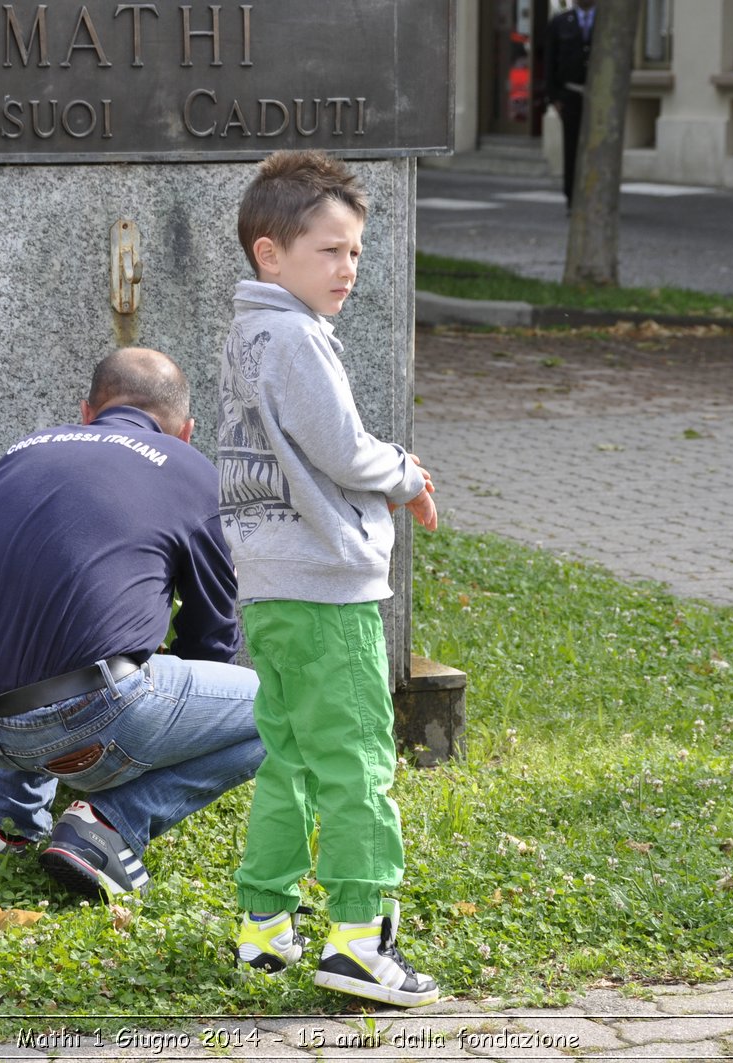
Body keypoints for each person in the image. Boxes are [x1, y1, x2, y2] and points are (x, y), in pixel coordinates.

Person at [217, 150, 441, 1008]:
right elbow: (343, 449)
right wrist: (407, 474)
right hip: (325, 586)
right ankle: (358, 939)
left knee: (292, 759)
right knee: (357, 764)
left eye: (355, 252)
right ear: (271, 253)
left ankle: (265, 927)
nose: (349, 268)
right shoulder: (298, 338)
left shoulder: (247, 332)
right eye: (330, 251)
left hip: (270, 585)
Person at [0, 347, 264, 900]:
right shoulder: (191, 470)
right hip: (79, 719)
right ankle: (111, 825)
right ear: (185, 432)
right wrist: (175, 731)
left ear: (86, 412)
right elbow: (210, 637)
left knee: (42, 624)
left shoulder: (21, 451)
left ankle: (4, 825)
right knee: (293, 708)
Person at [542, 0, 595, 211]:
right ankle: (572, 198)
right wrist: (554, 97)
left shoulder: (603, 22)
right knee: (572, 149)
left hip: (597, 96)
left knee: (597, 149)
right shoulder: (560, 22)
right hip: (570, 94)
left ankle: (596, 197)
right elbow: (550, 61)